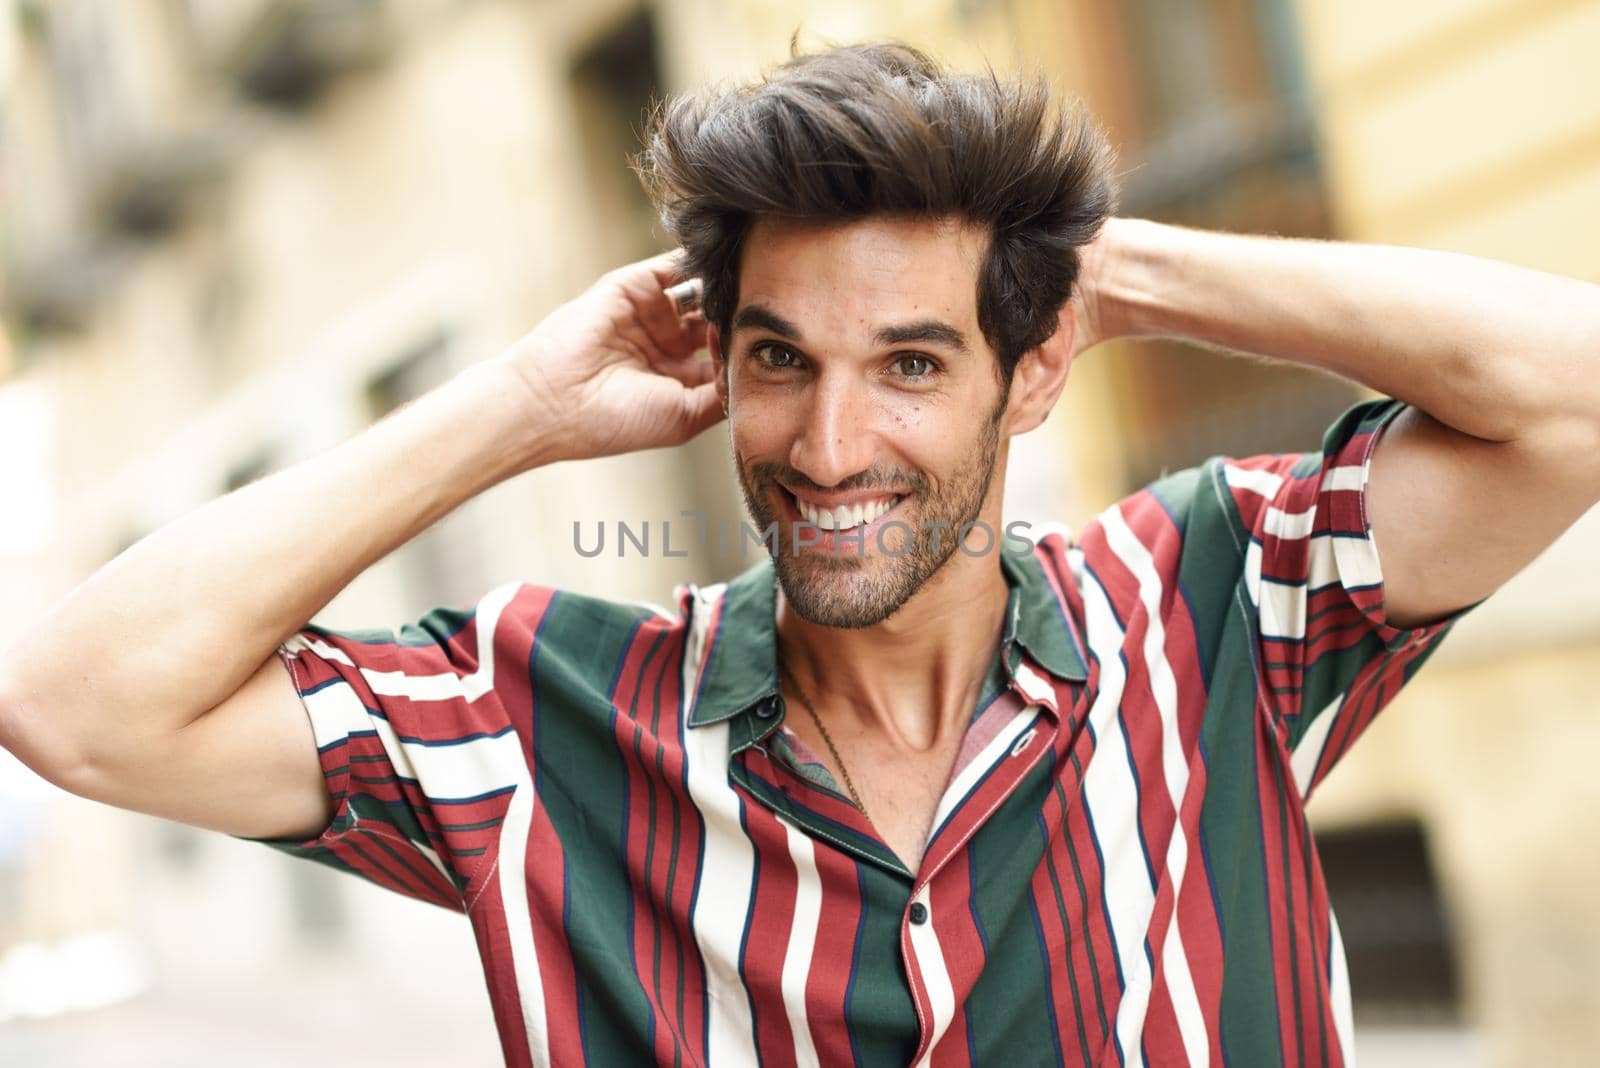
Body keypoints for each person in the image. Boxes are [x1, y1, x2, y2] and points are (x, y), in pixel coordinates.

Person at [3, 39, 1598, 1067]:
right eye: (781, 362)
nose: (829, 451)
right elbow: (78, 704)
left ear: (1030, 376)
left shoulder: (1216, 596)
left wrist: (1115, 269)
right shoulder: (544, 716)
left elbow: (1571, 398)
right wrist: (518, 404)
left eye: (911, 363)